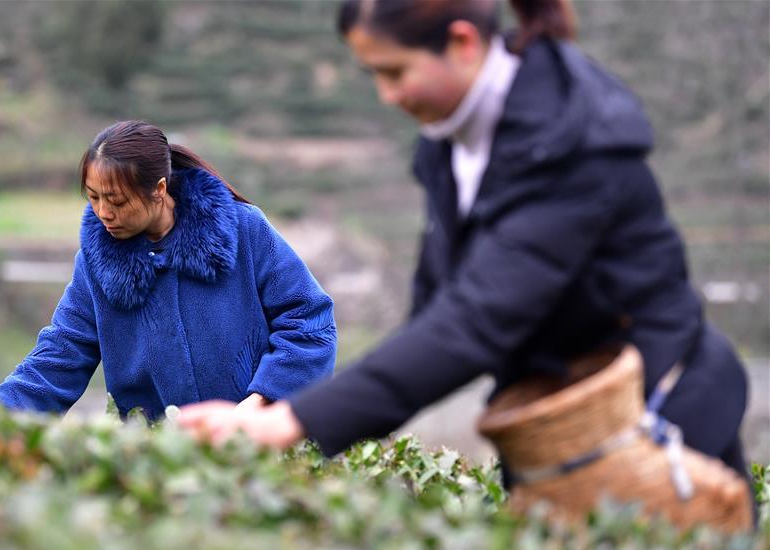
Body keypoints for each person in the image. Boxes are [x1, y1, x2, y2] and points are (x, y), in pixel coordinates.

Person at [178, 0, 752, 487]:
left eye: (395, 72)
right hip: (554, 429)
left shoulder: (571, 143)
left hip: (659, 429)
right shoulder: (451, 143)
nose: (386, 95)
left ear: (462, 43)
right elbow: (434, 315)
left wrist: (291, 422)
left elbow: (477, 320)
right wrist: (333, 418)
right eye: (373, 75)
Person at [0, 120, 337, 420]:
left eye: (117, 201)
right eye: (93, 198)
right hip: (164, 462)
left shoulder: (244, 230)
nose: (103, 213)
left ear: (158, 189)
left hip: (261, 444)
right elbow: (59, 356)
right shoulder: (96, 263)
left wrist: (262, 401)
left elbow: (311, 322)